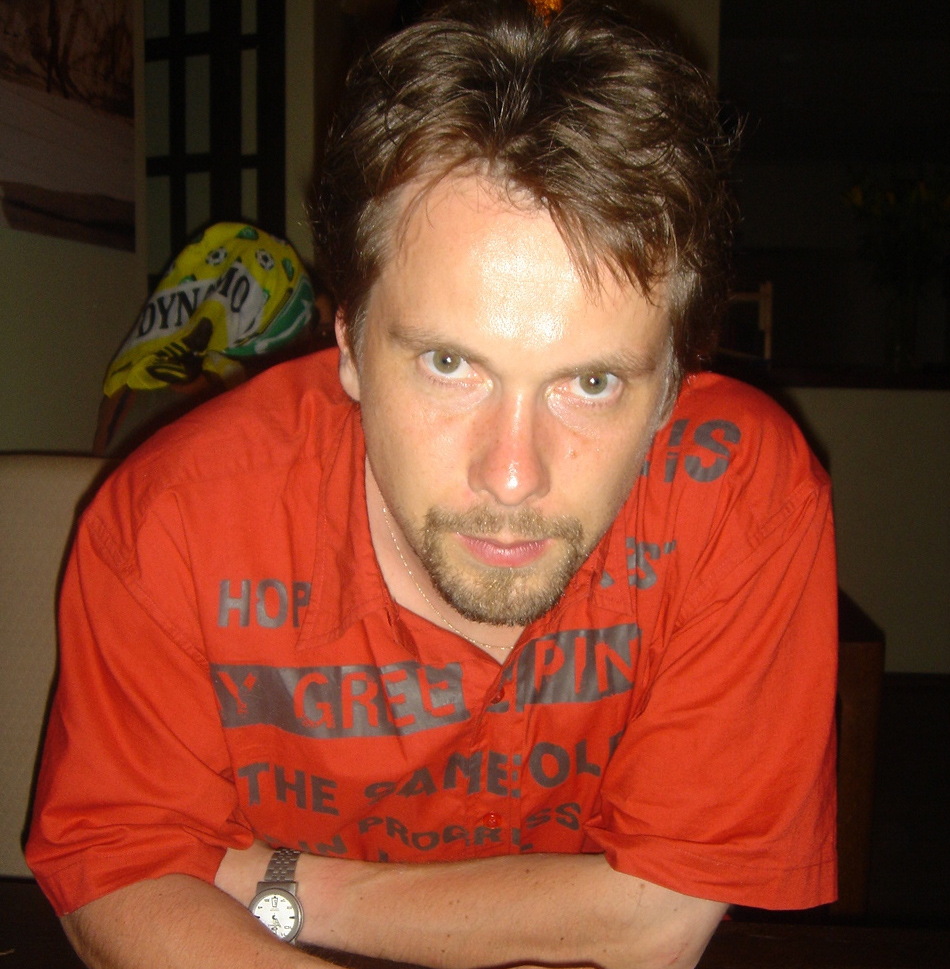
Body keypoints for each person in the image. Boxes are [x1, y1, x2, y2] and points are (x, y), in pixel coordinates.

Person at [26, 2, 838, 968]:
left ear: (672, 385)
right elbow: (115, 869)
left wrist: (284, 882)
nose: (512, 473)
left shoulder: (741, 492)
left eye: (591, 383)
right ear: (348, 342)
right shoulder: (174, 518)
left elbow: (659, 918)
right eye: (450, 364)